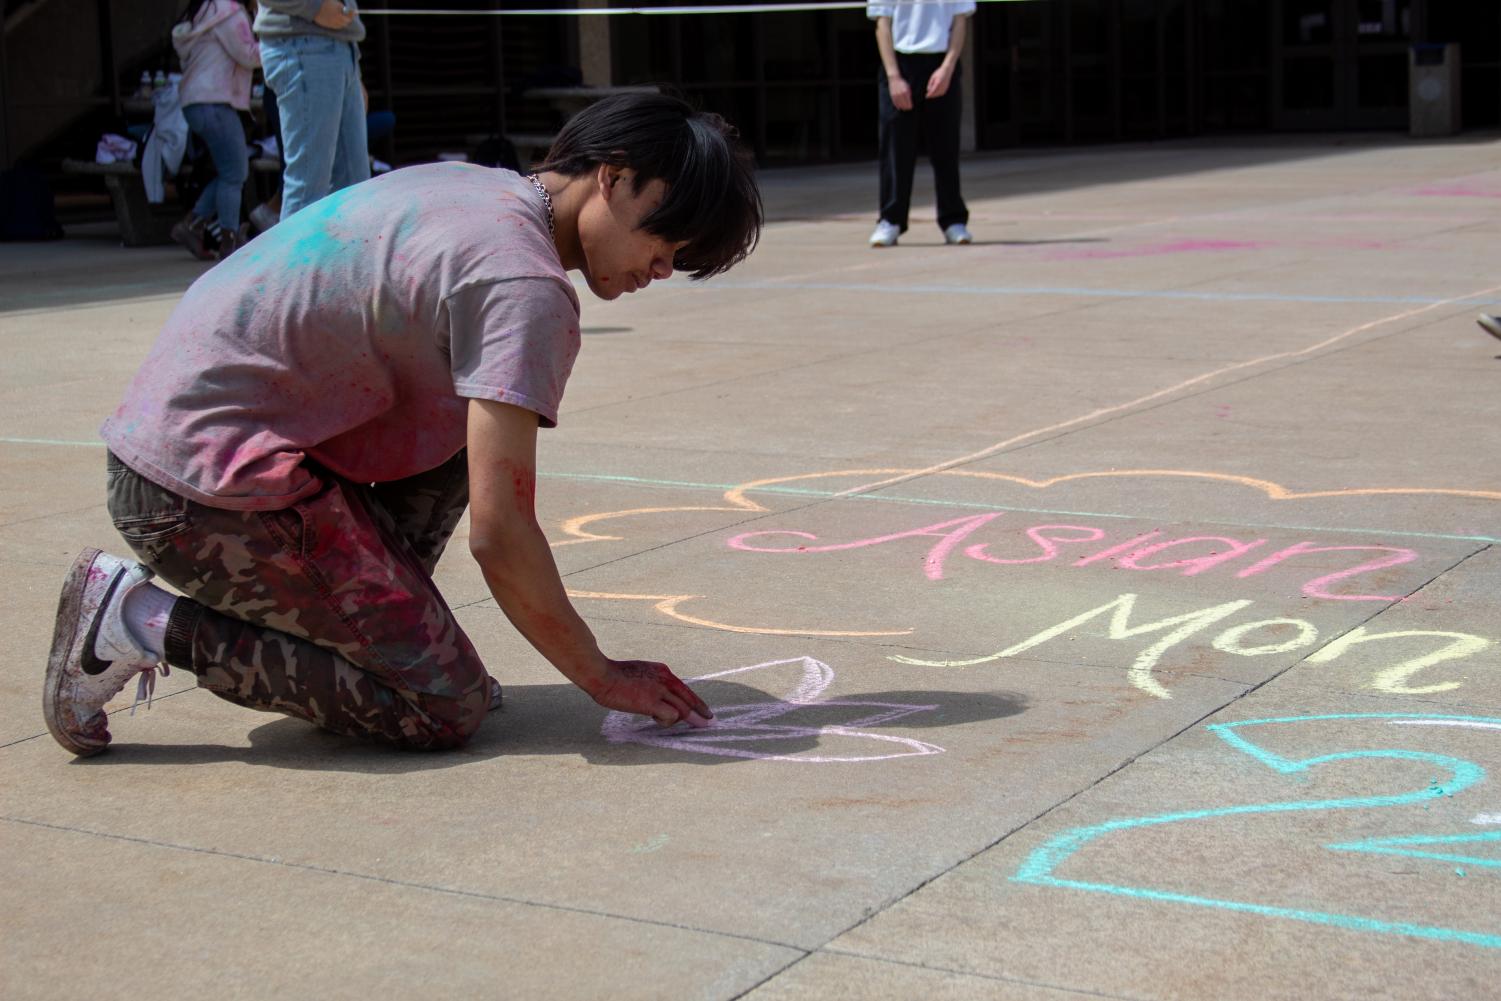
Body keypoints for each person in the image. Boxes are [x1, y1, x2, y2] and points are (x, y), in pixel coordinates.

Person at [43, 93, 762, 757]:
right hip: (196, 492)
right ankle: (134, 619)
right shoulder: (524, 285)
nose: (665, 267)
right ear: (613, 177)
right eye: (666, 235)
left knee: (465, 430)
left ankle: (382, 648)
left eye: (684, 257)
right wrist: (598, 674)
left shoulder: (478, 188)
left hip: (197, 446)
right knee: (440, 706)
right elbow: (500, 532)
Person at [867, 0, 975, 248]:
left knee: (946, 147)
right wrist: (894, 76)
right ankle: (890, 220)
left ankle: (953, 221)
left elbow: (960, 22)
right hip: (900, 63)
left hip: (941, 63)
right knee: (896, 148)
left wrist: (947, 68)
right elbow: (882, 24)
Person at [254, 0, 369, 220]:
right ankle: (292, 256)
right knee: (308, 190)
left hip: (341, 49)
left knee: (356, 190)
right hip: (304, 45)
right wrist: (314, 6)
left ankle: (338, 256)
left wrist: (354, 73)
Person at [169, 0, 261, 260]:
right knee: (235, 174)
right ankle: (229, 244)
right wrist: (279, 43)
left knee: (229, 172)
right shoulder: (229, 10)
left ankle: (193, 224)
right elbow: (250, 55)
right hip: (215, 101)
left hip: (196, 102)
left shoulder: (206, 9)